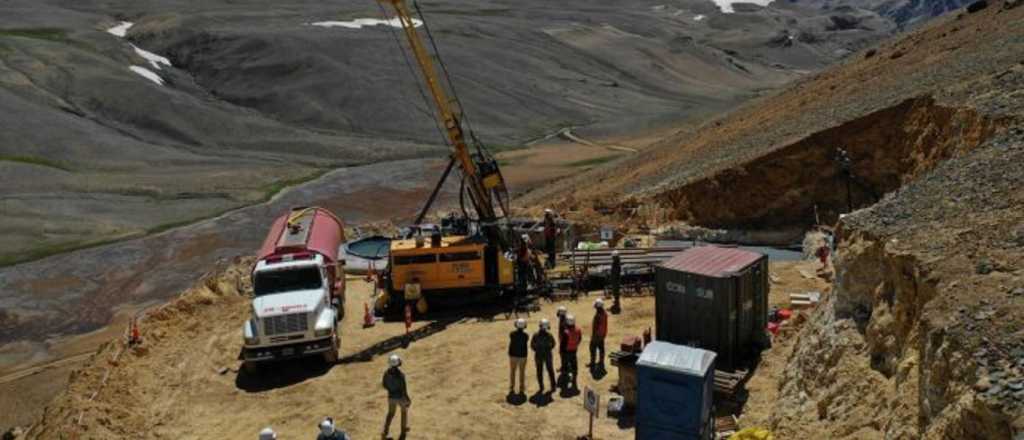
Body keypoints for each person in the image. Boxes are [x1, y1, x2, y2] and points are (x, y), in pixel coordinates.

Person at [382, 354, 410, 439]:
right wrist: (407, 398)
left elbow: (384, 385)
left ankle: (385, 431)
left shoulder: (386, 373)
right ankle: (403, 430)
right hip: (400, 397)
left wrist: (390, 389)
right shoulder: (401, 375)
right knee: (404, 413)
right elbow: (403, 388)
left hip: (391, 397)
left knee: (390, 414)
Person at [530, 318, 557, 393]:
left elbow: (532, 345)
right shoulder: (549, 335)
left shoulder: (535, 335)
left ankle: (541, 387)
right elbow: (554, 344)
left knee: (539, 371)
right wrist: (549, 349)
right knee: (550, 370)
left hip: (538, 355)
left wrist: (537, 350)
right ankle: (553, 385)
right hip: (548, 355)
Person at [508, 318, 529, 395]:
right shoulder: (526, 335)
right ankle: (521, 388)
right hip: (522, 356)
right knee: (522, 372)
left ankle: (512, 387)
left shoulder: (512, 334)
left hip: (513, 355)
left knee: (513, 371)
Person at [563, 314, 583, 390]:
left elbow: (563, 344)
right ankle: (574, 380)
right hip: (574, 350)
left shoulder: (566, 332)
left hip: (567, 351)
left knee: (566, 365)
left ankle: (566, 380)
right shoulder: (578, 330)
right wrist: (575, 344)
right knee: (574, 366)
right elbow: (580, 339)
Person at [590, 299, 608, 369]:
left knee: (592, 348)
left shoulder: (597, 316)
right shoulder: (605, 314)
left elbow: (595, 327)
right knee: (601, 348)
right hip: (602, 334)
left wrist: (593, 337)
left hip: (597, 335)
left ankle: (593, 363)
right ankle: (601, 362)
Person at [556, 306, 568, 381]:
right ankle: (565, 366)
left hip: (564, 342)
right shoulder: (563, 319)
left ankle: (564, 368)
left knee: (563, 354)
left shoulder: (563, 321)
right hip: (564, 341)